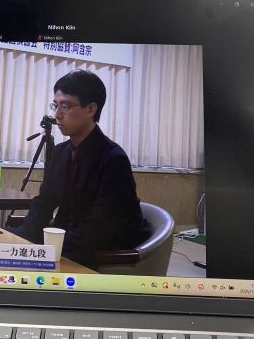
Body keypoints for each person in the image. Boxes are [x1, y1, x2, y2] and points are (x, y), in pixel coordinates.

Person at [9, 69, 149, 270]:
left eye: (66, 106)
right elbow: (43, 204)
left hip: (104, 254)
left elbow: (100, 229)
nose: (57, 115)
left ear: (91, 109)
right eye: (55, 105)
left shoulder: (113, 160)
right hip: (69, 244)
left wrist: (43, 248)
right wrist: (18, 239)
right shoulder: (61, 152)